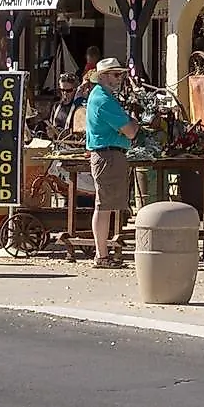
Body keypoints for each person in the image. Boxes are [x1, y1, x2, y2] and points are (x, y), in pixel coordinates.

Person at [82, 58, 137, 267]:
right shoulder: (103, 99)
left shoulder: (103, 96)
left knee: (106, 205)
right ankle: (101, 255)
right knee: (104, 206)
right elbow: (130, 131)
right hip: (108, 156)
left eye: (120, 74)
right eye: (116, 75)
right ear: (103, 76)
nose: (119, 78)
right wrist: (135, 120)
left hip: (109, 154)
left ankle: (103, 252)